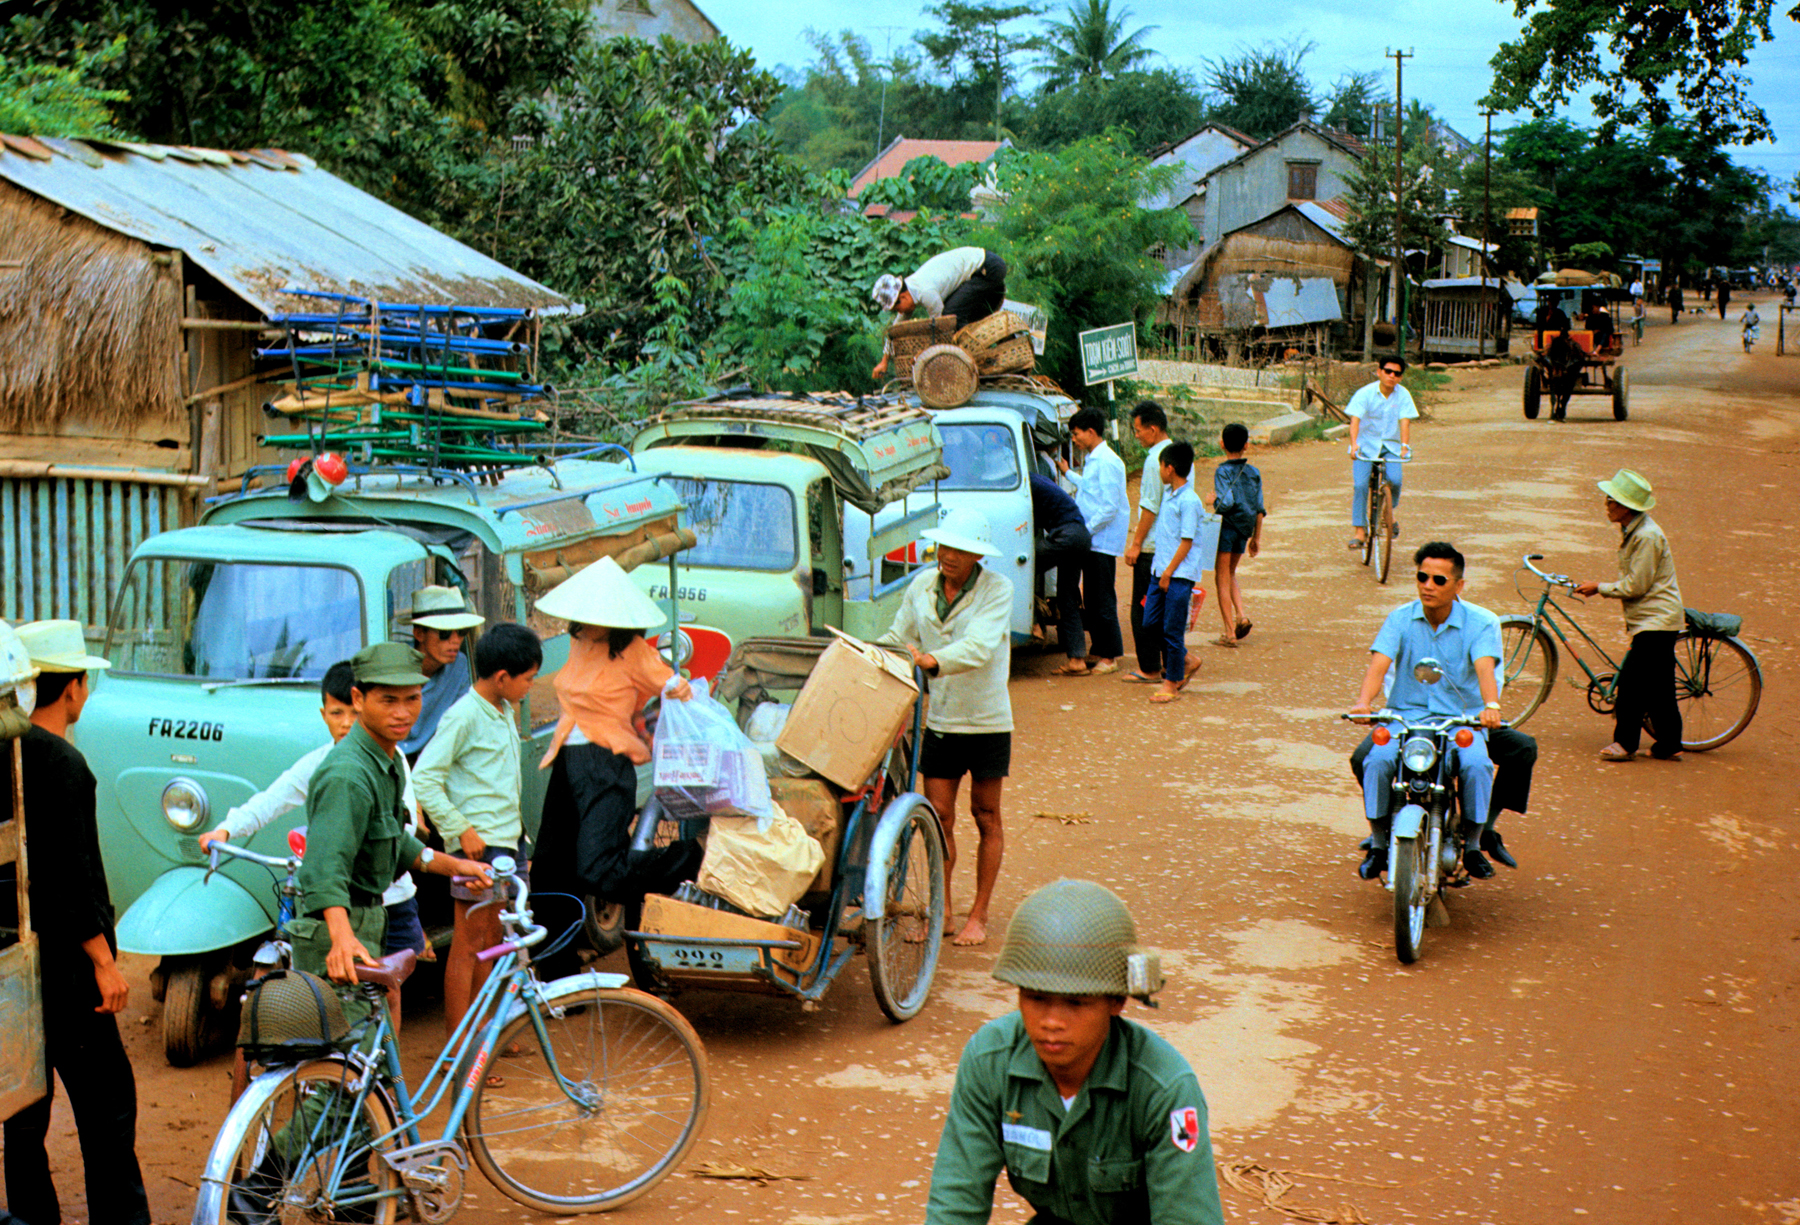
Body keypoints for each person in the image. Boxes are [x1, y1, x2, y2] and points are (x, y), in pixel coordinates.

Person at [924, 879, 1225, 1225]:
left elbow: (1187, 1219)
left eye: (1076, 1003)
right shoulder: (990, 1061)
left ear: (1116, 1001)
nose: (1051, 1021)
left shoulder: (1165, 1089)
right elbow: (956, 1203)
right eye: (1036, 998)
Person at [2, 621, 151, 1225]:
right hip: (70, 968)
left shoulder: (8, 756)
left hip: (17, 960)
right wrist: (105, 963)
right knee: (109, 1108)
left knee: (24, 1112)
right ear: (75, 688)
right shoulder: (64, 764)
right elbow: (71, 877)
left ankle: (34, 1219)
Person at [198, 661, 432, 1031]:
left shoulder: (393, 759)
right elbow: (271, 800)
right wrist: (226, 830)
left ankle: (385, 1074)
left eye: (353, 713)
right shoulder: (322, 765)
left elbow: (399, 832)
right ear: (323, 714)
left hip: (393, 899)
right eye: (336, 713)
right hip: (345, 904)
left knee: (388, 993)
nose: (345, 723)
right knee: (339, 995)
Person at [292, 642, 492, 1008]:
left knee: (382, 1031)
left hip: (371, 919)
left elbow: (393, 840)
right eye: (388, 700)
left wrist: (455, 866)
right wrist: (341, 940)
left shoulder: (387, 759)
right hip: (341, 928)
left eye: (412, 698)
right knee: (347, 1056)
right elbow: (325, 868)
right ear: (358, 698)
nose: (403, 713)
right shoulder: (349, 774)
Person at [878, 507, 1013, 946]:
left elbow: (979, 647)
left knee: (986, 815)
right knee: (939, 819)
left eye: (961, 549)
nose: (949, 555)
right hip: (941, 720)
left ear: (978, 556)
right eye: (946, 546)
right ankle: (944, 910)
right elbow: (898, 637)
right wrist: (879, 654)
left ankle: (980, 913)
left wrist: (933, 660)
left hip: (988, 720)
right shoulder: (921, 585)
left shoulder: (998, 590)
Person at [413, 623, 542, 1043]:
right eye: (528, 678)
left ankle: (484, 1035)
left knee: (490, 941)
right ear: (502, 677)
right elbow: (424, 779)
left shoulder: (503, 710)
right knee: (469, 946)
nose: (532, 685)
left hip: (507, 843)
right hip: (479, 849)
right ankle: (458, 1048)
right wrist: (459, 829)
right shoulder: (463, 715)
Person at [1347, 543, 1504, 880]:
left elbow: (1484, 669)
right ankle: (1378, 844)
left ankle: (1474, 845)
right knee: (1375, 761)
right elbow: (1379, 665)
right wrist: (1364, 702)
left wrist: (1490, 707)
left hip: (1460, 720)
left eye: (1438, 579)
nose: (1428, 585)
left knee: (1478, 766)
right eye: (1422, 577)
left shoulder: (1480, 624)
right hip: (1406, 718)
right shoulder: (1400, 618)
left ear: (1458, 586)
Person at [1573, 469, 1685, 762]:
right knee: (1659, 688)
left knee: (1632, 685)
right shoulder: (1634, 530)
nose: (1606, 505)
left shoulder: (1646, 536)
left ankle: (1625, 743)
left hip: (1656, 621)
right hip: (1652, 620)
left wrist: (1600, 587)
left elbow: (1637, 584)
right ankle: (1670, 742)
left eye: (1611, 501)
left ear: (1625, 506)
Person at [1054, 408, 1128, 675]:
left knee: (1101, 597)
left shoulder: (1107, 461)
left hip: (1101, 539)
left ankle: (1110, 655)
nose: (1073, 439)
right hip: (1093, 538)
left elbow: (1109, 507)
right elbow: (1090, 489)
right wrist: (1068, 473)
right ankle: (1100, 647)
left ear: (1091, 432)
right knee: (1092, 596)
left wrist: (1085, 530)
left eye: (1076, 434)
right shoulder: (1096, 459)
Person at [870, 247, 1008, 379]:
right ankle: (978, 357)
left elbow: (942, 329)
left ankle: (972, 364)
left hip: (988, 269)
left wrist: (922, 356)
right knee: (958, 315)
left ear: (904, 297)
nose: (899, 312)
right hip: (980, 272)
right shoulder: (911, 289)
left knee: (952, 314)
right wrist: (884, 361)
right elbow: (895, 331)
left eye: (897, 309)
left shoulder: (925, 292)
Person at [1145, 442, 1206, 705]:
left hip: (1178, 574)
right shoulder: (1169, 495)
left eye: (1161, 465)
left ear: (1169, 468)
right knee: (1150, 623)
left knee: (1172, 629)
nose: (1159, 470)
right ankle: (1185, 659)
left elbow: (1187, 540)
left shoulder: (1190, 501)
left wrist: (1169, 572)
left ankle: (1171, 682)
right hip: (1160, 571)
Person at [397, 584, 484, 760]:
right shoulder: (395, 668)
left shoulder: (459, 665)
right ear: (419, 634)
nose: (455, 641)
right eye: (444, 633)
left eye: (461, 632)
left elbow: (461, 720)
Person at [1122, 402, 1173, 684]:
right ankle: (1168, 661)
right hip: (1170, 544)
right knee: (1163, 606)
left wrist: (1136, 543)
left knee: (1142, 607)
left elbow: (1150, 507)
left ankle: (1149, 667)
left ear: (1152, 430)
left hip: (1152, 545)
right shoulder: (1176, 454)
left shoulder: (1155, 460)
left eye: (1138, 431)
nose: (1137, 436)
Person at [1344, 356, 1416, 549]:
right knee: (1360, 485)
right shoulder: (1365, 394)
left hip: (1391, 447)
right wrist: (1354, 445)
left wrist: (1404, 446)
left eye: (1397, 373)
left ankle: (1387, 513)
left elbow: (1405, 422)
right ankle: (1359, 531)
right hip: (1365, 446)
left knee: (1396, 480)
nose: (1392, 376)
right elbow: (1355, 420)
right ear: (1379, 372)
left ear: (1401, 377)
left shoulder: (1403, 395)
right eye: (1388, 371)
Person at [1208, 422, 1264, 649]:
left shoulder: (1222, 471)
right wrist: (1256, 538)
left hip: (1227, 528)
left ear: (1222, 444)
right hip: (1244, 529)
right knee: (1231, 572)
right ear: (1246, 446)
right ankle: (1241, 615)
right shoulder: (1254, 473)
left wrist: (1212, 501)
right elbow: (1260, 508)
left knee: (1221, 576)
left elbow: (1226, 502)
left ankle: (1229, 632)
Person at [1028, 470, 1092, 666]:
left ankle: (1037, 623)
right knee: (1067, 598)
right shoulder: (1039, 480)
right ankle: (1077, 659)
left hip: (1066, 535)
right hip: (1080, 536)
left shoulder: (1026, 482)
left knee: (1024, 571)